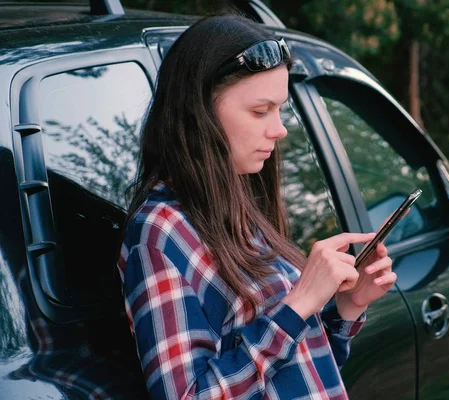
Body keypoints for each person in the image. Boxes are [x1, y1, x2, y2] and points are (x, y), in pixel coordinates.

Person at [117, 13, 397, 400]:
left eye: (280, 109)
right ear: (200, 112)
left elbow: (293, 374)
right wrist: (297, 305)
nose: (279, 128)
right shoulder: (161, 233)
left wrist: (345, 308)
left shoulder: (240, 206)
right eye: (260, 111)